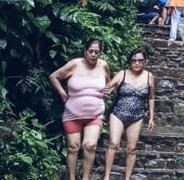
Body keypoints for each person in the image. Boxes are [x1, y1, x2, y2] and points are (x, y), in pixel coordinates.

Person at [49, 38, 111, 180]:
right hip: (72, 114)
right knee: (73, 147)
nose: (94, 54)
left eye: (97, 52)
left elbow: (108, 82)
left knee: (90, 145)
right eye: (91, 51)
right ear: (85, 51)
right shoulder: (75, 64)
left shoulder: (103, 66)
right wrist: (62, 93)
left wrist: (107, 90)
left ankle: (85, 178)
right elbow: (53, 77)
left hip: (94, 114)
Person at [102, 48, 156, 180]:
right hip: (118, 114)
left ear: (145, 62)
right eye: (134, 61)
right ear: (129, 62)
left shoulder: (149, 76)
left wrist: (151, 117)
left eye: (140, 61)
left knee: (132, 148)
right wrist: (106, 90)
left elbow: (151, 97)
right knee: (114, 143)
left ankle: (127, 178)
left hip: (137, 117)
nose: (137, 63)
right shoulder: (122, 74)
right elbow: (109, 88)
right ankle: (107, 176)